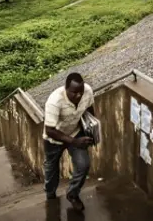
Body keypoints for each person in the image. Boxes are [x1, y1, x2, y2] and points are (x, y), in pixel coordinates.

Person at [43, 72, 95, 211]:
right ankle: (50, 195)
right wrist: (74, 142)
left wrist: (92, 129)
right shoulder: (54, 101)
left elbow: (89, 110)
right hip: (53, 139)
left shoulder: (88, 91)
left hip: (75, 132)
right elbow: (50, 130)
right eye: (74, 92)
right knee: (51, 169)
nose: (78, 95)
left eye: (81, 92)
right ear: (66, 89)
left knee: (84, 165)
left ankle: (72, 194)